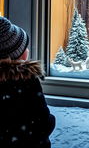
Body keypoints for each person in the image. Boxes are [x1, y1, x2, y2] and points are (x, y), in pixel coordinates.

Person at [0, 16, 55, 148]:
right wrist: (51, 120)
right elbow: (43, 122)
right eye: (24, 47)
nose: (28, 50)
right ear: (17, 56)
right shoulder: (27, 81)